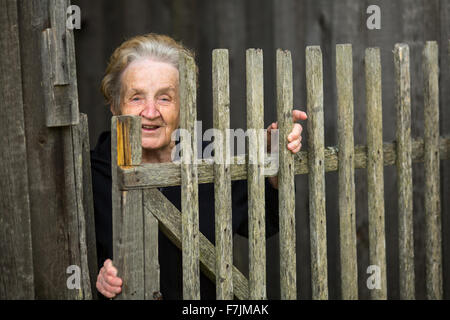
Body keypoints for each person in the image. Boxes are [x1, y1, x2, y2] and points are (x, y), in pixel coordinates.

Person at [91, 33, 307, 299]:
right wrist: (96, 278)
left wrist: (274, 158)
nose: (149, 112)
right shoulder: (89, 176)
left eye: (165, 98)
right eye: (136, 98)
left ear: (184, 105)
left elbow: (263, 222)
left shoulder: (209, 164)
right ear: (114, 104)